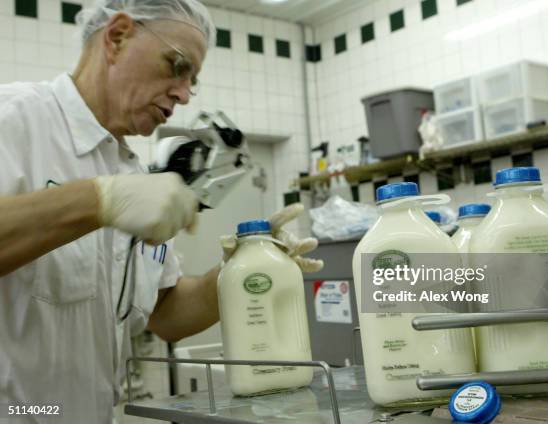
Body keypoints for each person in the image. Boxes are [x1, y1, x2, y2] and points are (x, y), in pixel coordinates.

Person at [0, 0, 322, 422]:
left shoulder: (132, 170)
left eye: (193, 81)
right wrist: (98, 201)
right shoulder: (16, 120)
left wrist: (242, 271)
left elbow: (165, 314)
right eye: (177, 66)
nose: (184, 94)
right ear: (117, 37)